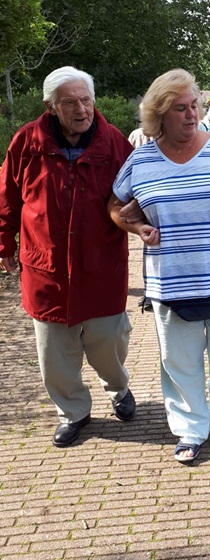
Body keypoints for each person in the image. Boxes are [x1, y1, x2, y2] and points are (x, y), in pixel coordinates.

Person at [108, 69, 210, 464]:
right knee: (179, 361)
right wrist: (136, 224)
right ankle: (190, 428)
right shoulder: (140, 160)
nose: (192, 114)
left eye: (194, 105)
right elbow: (114, 206)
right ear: (159, 115)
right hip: (170, 282)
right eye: (180, 108)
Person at [0, 66, 136, 448]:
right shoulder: (27, 141)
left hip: (101, 264)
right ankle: (73, 411)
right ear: (51, 106)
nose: (81, 109)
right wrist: (3, 242)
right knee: (54, 351)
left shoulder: (114, 143)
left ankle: (118, 387)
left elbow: (137, 195)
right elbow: (7, 196)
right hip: (46, 269)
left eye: (86, 99)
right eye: (70, 102)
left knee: (109, 340)